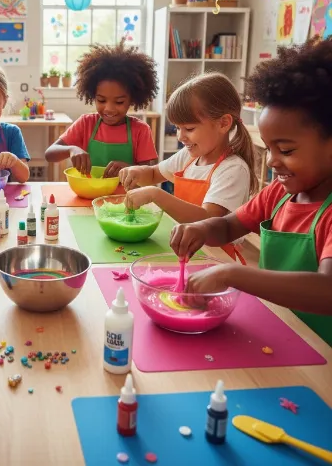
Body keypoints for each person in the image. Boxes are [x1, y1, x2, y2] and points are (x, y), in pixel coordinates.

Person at [170, 40, 332, 345]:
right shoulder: (277, 195)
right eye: (270, 148)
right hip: (273, 333)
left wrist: (233, 275)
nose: (271, 160)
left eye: (286, 149)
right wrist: (201, 229)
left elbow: (327, 291)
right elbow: (229, 226)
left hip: (320, 356)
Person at [120, 72, 256, 262]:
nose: (180, 136)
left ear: (223, 123)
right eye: (177, 128)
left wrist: (155, 194)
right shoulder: (190, 156)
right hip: (185, 247)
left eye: (189, 129)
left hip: (216, 258)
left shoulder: (233, 169)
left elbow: (208, 220)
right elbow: (152, 174)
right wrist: (135, 171)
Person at [45, 40, 159, 178]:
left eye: (119, 102)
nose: (109, 109)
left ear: (132, 99)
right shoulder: (86, 123)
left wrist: (128, 169)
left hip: (126, 197)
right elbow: (50, 154)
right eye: (101, 100)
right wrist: (71, 149)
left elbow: (149, 175)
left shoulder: (141, 130)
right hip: (90, 194)